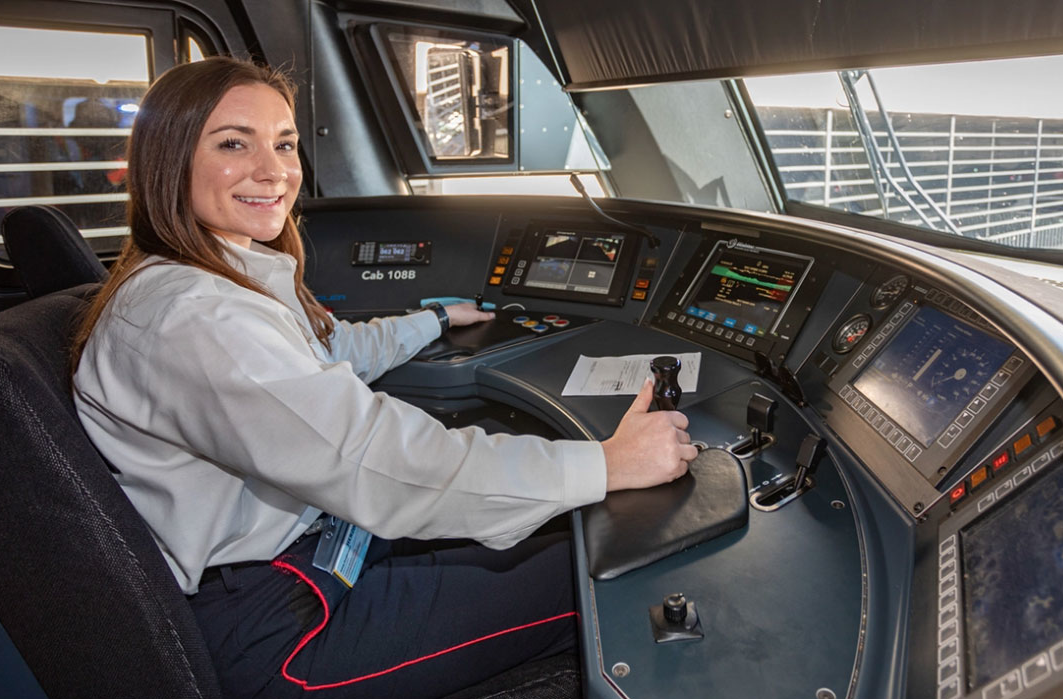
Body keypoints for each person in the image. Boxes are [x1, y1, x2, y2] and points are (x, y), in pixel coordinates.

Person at [71, 56, 696, 699]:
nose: (274, 171)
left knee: (561, 530)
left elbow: (327, 351)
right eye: (234, 143)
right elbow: (373, 460)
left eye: (284, 144)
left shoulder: (204, 276)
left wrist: (430, 320)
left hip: (314, 554)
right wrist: (607, 464)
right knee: (606, 579)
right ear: (170, 159)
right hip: (280, 627)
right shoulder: (196, 317)